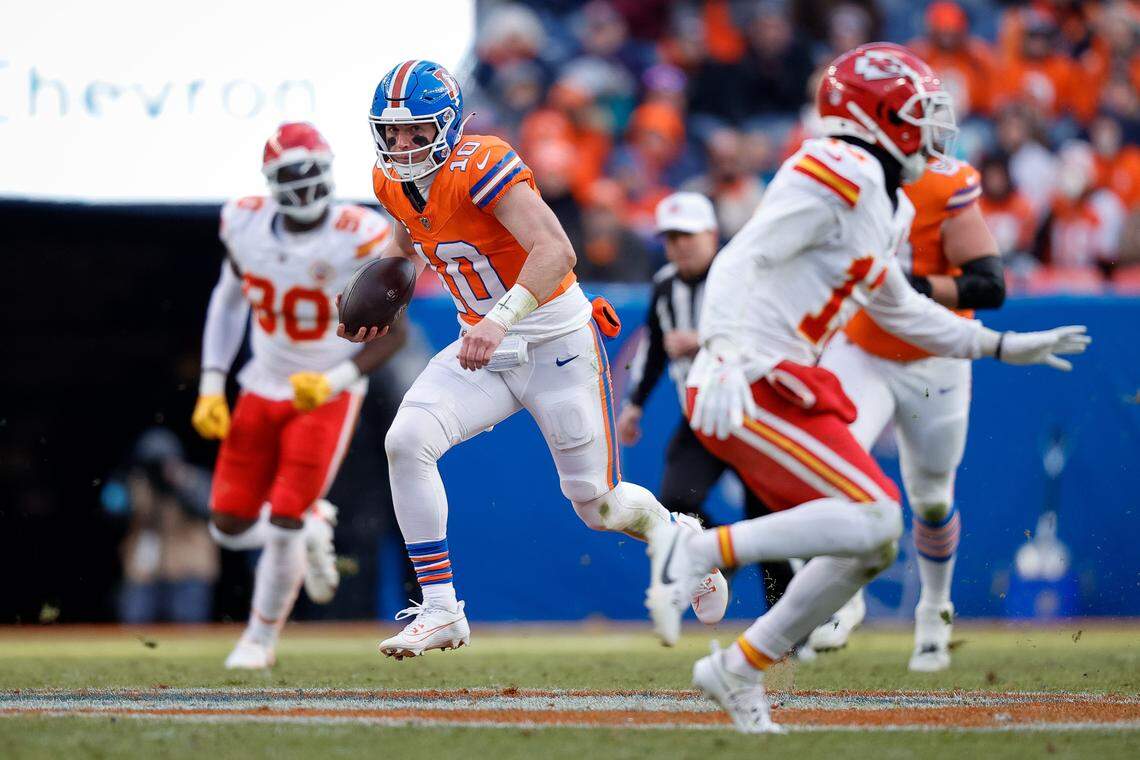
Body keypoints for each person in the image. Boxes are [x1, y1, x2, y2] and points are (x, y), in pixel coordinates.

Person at [643, 44, 1090, 733]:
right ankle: (701, 552)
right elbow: (740, 257)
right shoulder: (837, 168)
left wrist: (997, 346)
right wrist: (725, 350)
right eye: (918, 113)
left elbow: (898, 307)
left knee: (875, 536)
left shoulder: (885, 200)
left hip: (786, 379)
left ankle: (737, 667)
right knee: (878, 520)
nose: (933, 128)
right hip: (750, 375)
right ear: (875, 116)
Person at [347, 60, 728, 660]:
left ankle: (685, 545)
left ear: (447, 125)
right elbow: (408, 246)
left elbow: (556, 251)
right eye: (391, 131)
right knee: (407, 440)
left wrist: (499, 318)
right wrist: (383, 292)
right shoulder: (389, 180)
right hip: (483, 347)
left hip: (554, 343)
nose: (401, 143)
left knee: (599, 506)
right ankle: (441, 608)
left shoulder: (483, 163)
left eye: (415, 129)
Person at [191, 122, 406, 669]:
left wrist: (331, 382)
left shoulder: (360, 233)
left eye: (314, 173)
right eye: (293, 175)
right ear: (271, 181)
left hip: (327, 391)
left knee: (285, 516)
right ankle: (311, 527)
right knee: (228, 524)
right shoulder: (244, 223)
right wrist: (212, 382)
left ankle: (258, 641)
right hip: (263, 382)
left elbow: (396, 335)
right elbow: (228, 299)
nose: (306, 186)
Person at [807, 144, 1006, 671]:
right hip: (860, 349)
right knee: (828, 467)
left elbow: (989, 286)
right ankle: (842, 597)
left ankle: (935, 608)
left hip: (934, 357)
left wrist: (905, 288)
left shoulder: (942, 184)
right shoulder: (834, 173)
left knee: (932, 499)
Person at [618, 191, 793, 610]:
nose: (679, 246)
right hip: (699, 418)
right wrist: (635, 403)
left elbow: (771, 335)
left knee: (765, 522)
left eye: (688, 236)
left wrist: (702, 341)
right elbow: (655, 348)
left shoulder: (739, 274)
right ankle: (719, 554)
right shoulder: (665, 284)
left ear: (712, 234)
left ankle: (786, 624)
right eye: (671, 238)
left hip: (751, 415)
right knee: (675, 501)